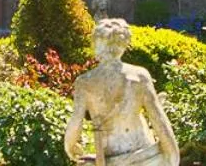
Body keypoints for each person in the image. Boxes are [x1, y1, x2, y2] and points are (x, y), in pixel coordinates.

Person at [64, 19, 180, 166]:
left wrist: (69, 145)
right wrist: (172, 155)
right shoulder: (140, 76)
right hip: (144, 153)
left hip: (110, 158)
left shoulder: (85, 82)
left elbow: (76, 121)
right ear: (123, 45)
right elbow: (158, 119)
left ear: (97, 44)